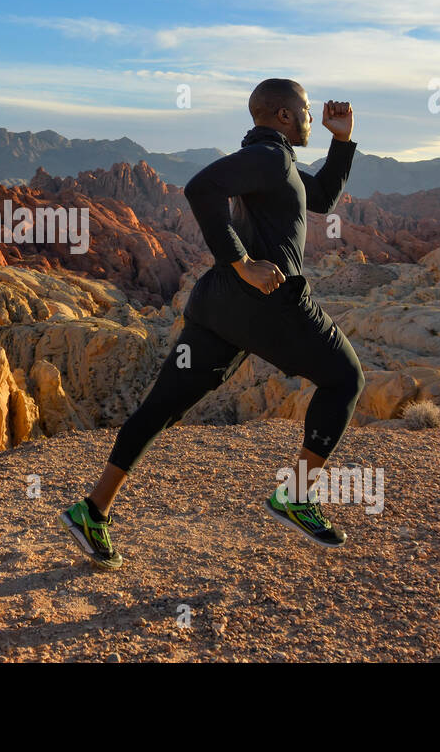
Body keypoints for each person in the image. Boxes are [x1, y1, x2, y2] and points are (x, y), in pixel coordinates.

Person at [60, 78, 366, 568]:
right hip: (268, 302)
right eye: (307, 111)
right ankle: (297, 496)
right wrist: (243, 261)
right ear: (284, 115)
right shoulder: (270, 159)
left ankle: (93, 509)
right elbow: (200, 187)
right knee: (346, 378)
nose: (312, 117)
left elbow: (323, 198)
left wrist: (342, 140)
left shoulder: (275, 162)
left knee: (161, 406)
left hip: (219, 308)